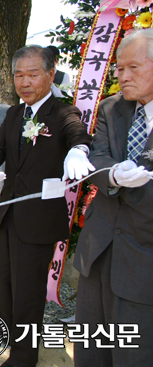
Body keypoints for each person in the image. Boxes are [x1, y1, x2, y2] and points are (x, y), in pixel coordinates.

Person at [0, 45, 93, 367]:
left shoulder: (62, 112)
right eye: (19, 75)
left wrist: (78, 150)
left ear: (50, 74)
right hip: (11, 213)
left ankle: (23, 359)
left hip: (39, 221)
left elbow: (77, 134)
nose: (25, 82)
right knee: (2, 286)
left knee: (27, 294)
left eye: (32, 74)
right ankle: (4, 341)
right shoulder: (15, 113)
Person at [73, 29, 153, 366]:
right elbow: (99, 158)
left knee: (135, 353)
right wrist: (113, 175)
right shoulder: (111, 108)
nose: (122, 76)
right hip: (99, 246)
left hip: (144, 255)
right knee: (92, 349)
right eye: (119, 69)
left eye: (133, 68)